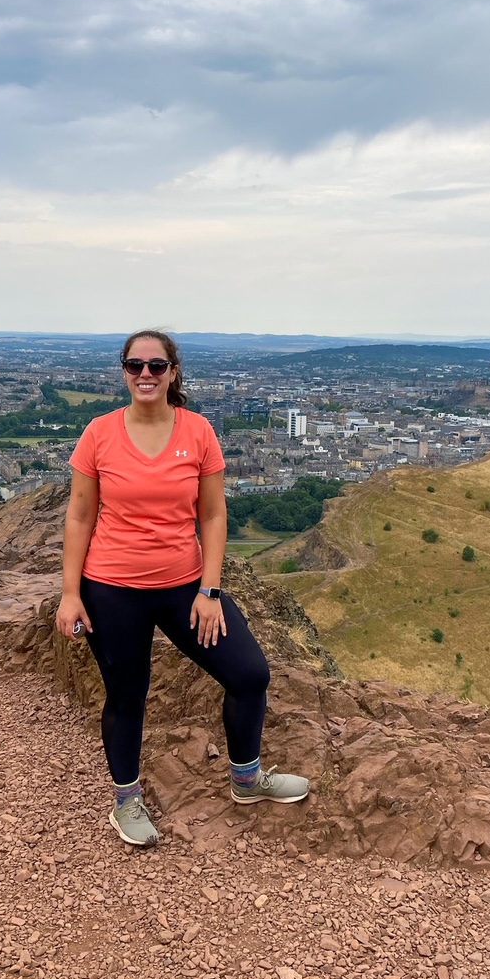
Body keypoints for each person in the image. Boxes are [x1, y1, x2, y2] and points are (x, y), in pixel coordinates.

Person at [55, 328, 309, 847]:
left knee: (249, 673)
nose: (145, 375)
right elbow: (80, 516)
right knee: (127, 696)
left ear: (173, 372)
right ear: (123, 372)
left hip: (184, 584)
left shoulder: (197, 431)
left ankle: (246, 779)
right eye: (134, 366)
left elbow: (213, 515)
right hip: (112, 587)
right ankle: (126, 801)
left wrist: (209, 591)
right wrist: (70, 592)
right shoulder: (99, 433)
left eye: (155, 366)